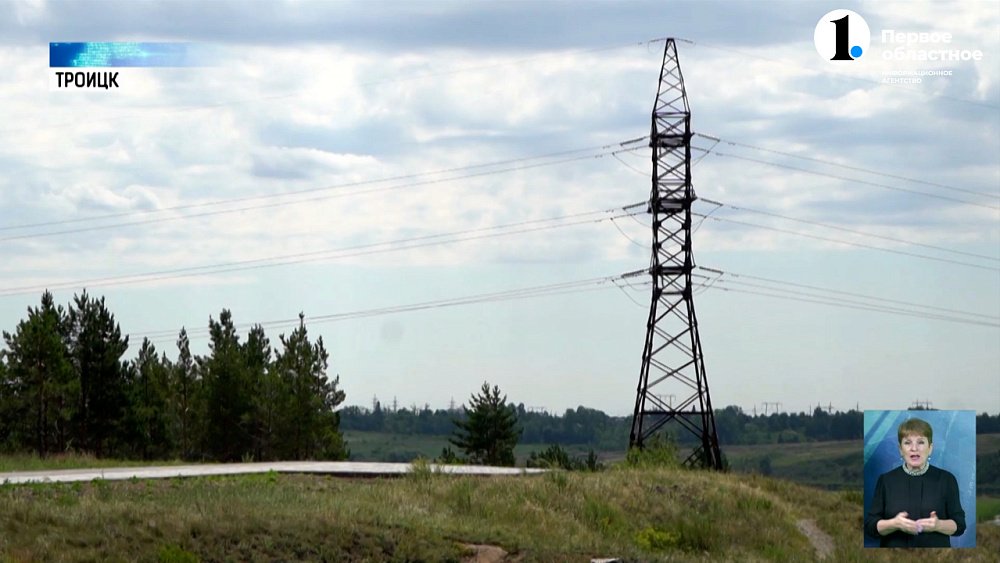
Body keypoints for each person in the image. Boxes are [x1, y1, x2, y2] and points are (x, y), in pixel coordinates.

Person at [864, 417, 966, 547]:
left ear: (930, 448)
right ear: (900, 449)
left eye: (921, 442)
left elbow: (960, 525)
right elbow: (870, 526)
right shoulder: (886, 481)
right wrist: (894, 524)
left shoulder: (946, 480)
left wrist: (938, 525)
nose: (914, 448)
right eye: (907, 443)